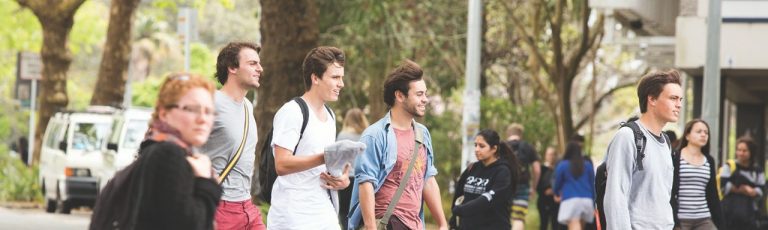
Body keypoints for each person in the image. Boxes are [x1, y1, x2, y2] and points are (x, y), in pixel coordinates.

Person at [348, 60, 449, 230]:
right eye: (419, 94)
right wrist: (371, 227)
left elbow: (428, 180)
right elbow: (365, 183)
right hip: (389, 222)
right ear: (400, 96)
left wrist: (442, 223)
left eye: (425, 94)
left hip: (415, 224)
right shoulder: (375, 135)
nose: (425, 99)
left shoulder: (422, 133)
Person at [267, 46, 350, 229]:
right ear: (315, 78)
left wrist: (342, 179)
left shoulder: (330, 115)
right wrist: (324, 157)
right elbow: (281, 164)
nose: (341, 84)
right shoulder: (292, 112)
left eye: (341, 77)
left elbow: (324, 165)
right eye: (335, 77)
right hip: (293, 216)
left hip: (325, 212)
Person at [135, 73, 221, 229]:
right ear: (164, 114)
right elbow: (190, 225)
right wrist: (205, 181)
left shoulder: (154, 148)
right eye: (192, 109)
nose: (203, 119)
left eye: (209, 111)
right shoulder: (169, 154)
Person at [604, 69, 682, 229]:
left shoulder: (666, 142)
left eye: (680, 99)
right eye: (673, 98)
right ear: (652, 99)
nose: (679, 105)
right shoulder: (627, 137)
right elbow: (615, 197)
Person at [199, 42, 266, 230]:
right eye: (252, 63)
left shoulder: (247, 106)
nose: (260, 69)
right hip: (219, 207)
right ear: (232, 67)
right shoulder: (210, 102)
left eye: (259, 64)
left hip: (247, 206)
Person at [449, 129, 520, 229]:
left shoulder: (503, 171)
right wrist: (454, 220)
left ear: (494, 149)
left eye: (482, 146)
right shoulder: (472, 168)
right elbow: (458, 194)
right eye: (475, 145)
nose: (477, 149)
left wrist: (462, 210)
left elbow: (488, 199)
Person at [672, 119, 723, 229]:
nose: (703, 135)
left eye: (706, 132)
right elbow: (670, 190)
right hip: (681, 219)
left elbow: (713, 194)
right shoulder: (675, 157)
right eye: (699, 131)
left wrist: (720, 223)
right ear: (687, 135)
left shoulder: (709, 160)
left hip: (704, 218)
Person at [720, 137, 765, 230]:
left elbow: (761, 191)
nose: (741, 153)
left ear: (751, 152)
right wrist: (745, 190)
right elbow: (724, 186)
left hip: (750, 214)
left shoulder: (758, 171)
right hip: (729, 213)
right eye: (739, 150)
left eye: (744, 150)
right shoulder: (729, 166)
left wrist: (750, 191)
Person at [337, 108, 370, 228]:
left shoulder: (342, 135)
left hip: (346, 178)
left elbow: (337, 159)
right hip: (364, 179)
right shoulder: (367, 135)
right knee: (362, 212)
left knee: (345, 211)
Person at [505, 123, 540, 230]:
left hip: (504, 185)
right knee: (518, 219)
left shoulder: (501, 146)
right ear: (520, 134)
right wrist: (533, 187)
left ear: (508, 133)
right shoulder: (528, 146)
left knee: (502, 218)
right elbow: (537, 169)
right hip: (523, 185)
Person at [553, 142, 595, 230]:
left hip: (570, 201)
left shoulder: (563, 165)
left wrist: (556, 193)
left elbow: (557, 183)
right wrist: (594, 203)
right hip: (587, 201)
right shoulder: (587, 165)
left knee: (574, 225)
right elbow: (592, 185)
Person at [537, 146, 559, 230]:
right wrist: (545, 191)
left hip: (556, 202)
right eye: (549, 154)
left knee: (556, 225)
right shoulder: (541, 169)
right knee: (543, 224)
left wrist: (554, 190)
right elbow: (537, 185)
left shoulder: (559, 169)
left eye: (553, 154)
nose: (551, 157)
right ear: (546, 156)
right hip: (543, 201)